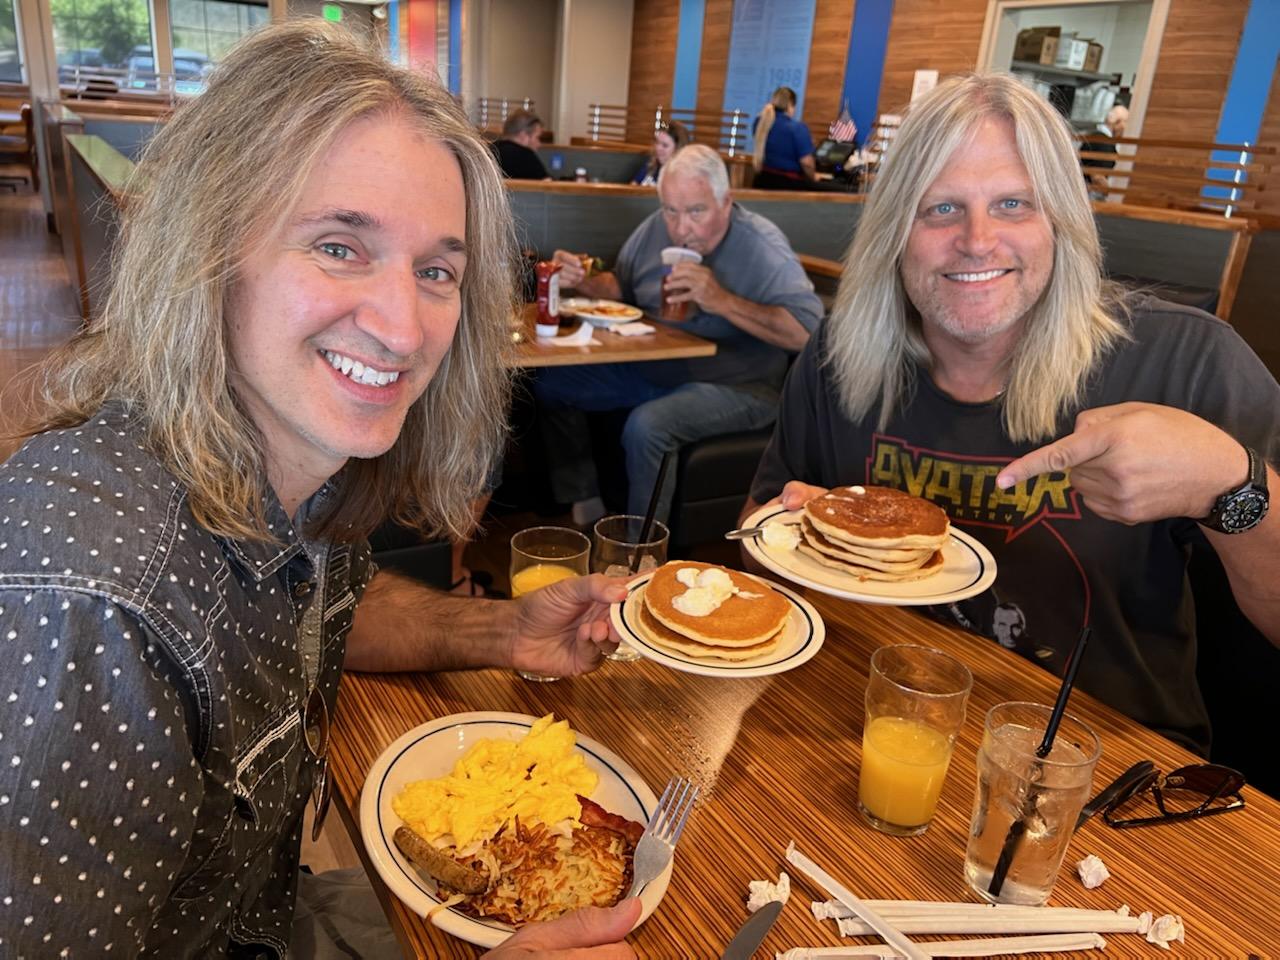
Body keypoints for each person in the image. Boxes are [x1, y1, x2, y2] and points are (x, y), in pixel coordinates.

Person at [0, 21, 640, 959]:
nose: (404, 328)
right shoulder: (91, 599)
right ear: (209, 248)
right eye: (339, 247)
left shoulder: (292, 467)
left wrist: (505, 632)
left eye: (436, 271)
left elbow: (321, 606)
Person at [743, 73, 1280, 756]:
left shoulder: (1188, 362)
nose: (977, 239)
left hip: (1102, 764)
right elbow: (756, 538)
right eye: (940, 208)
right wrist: (794, 537)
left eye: (1013, 203)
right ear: (893, 232)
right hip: (867, 727)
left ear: (1061, 222)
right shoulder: (837, 356)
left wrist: (1229, 484)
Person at [538, 144, 823, 526]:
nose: (680, 227)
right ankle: (585, 494)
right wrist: (583, 279)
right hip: (655, 368)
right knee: (552, 383)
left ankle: (642, 550)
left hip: (742, 385)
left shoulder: (761, 245)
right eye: (671, 210)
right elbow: (621, 284)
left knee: (647, 427)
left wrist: (720, 299)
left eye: (696, 211)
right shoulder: (655, 229)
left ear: (725, 202)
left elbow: (809, 333)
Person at [751, 86, 816, 190]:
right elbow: (807, 163)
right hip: (789, 186)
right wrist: (813, 178)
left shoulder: (759, 123)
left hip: (761, 180)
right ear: (790, 105)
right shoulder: (797, 128)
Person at [1081, 103, 1128, 198]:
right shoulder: (1105, 144)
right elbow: (1097, 176)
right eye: (1126, 122)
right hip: (1091, 197)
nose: (1126, 128)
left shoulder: (1094, 135)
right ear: (1118, 123)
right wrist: (1111, 194)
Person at [492, 107, 551, 180]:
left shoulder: (490, 150)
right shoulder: (526, 156)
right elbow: (547, 183)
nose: (539, 144)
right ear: (523, 136)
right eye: (537, 137)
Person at [631, 119, 689, 186]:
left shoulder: (683, 176)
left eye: (665, 145)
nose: (658, 148)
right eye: (657, 142)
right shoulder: (651, 165)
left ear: (678, 149)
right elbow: (633, 186)